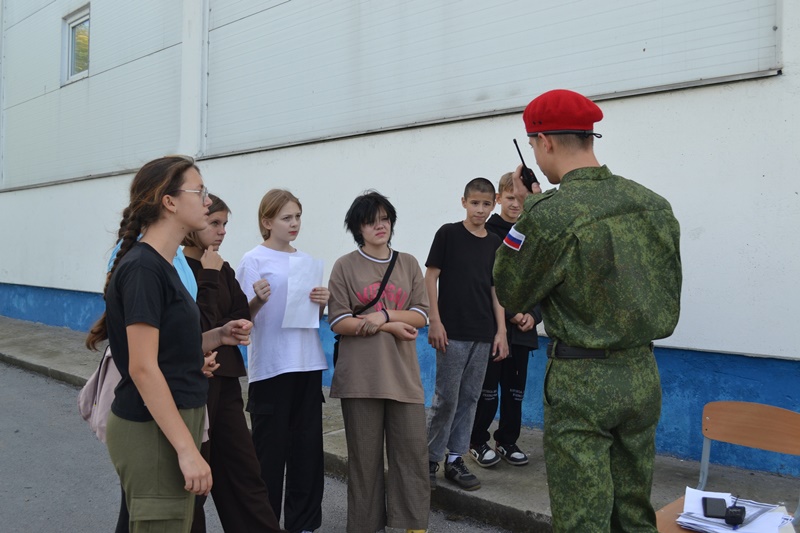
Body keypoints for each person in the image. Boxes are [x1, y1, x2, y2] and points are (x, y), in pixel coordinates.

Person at [493, 89, 682, 532]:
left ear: (545, 142)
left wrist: (532, 208)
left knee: (584, 517)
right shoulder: (653, 204)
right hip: (641, 371)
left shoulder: (549, 214)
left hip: (583, 382)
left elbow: (511, 289)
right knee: (634, 512)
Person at [85, 155, 253, 533]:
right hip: (154, 428)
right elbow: (143, 368)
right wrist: (187, 450)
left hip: (174, 420)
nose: (208, 202)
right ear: (170, 202)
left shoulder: (164, 265)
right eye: (200, 191)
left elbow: (170, 349)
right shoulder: (144, 269)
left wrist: (218, 336)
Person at [327, 191, 430, 533]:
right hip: (360, 377)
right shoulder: (344, 265)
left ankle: (413, 525)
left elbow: (420, 315)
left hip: (403, 376)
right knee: (364, 463)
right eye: (371, 221)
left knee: (412, 456)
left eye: (384, 219)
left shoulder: (409, 263)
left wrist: (384, 315)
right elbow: (338, 321)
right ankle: (365, 527)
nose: (379, 226)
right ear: (358, 228)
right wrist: (387, 325)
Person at [182, 194, 284, 533]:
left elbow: (238, 311)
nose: (222, 231)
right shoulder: (183, 268)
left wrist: (240, 322)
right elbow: (197, 327)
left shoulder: (222, 267)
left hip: (225, 379)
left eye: (225, 224)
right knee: (196, 478)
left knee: (243, 468)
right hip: (196, 381)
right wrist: (209, 278)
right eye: (214, 223)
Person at [236, 189, 328, 533]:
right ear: (267, 221)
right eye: (287, 217)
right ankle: (264, 523)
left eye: (298, 216)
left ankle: (303, 524)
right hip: (272, 367)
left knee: (307, 452)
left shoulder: (306, 261)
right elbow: (240, 320)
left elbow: (312, 317)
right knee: (268, 456)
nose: (294, 224)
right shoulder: (253, 260)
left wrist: (321, 303)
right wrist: (256, 301)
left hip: (307, 364)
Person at [425, 178, 509, 492]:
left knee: (470, 398)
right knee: (446, 398)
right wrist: (434, 320)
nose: (480, 210)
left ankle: (455, 459)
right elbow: (430, 277)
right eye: (475, 203)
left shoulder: (493, 243)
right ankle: (430, 460)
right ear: (464, 202)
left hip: (483, 333)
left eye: (487, 204)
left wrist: (501, 331)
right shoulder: (448, 234)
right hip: (452, 332)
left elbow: (494, 289)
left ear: (495, 203)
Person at [468, 172, 542, 469]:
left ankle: (507, 440)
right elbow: (487, 280)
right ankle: (476, 440)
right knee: (487, 390)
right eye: (509, 198)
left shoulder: (533, 233)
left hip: (523, 331)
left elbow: (541, 280)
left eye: (519, 198)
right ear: (498, 198)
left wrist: (534, 315)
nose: (515, 204)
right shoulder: (490, 232)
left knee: (515, 392)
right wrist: (511, 313)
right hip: (494, 328)